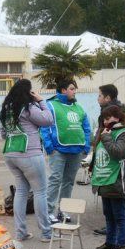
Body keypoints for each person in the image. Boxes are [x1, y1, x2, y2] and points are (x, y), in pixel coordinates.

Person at [0, 79, 55, 242]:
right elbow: (48, 119)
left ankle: (20, 232)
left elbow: (3, 134)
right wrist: (41, 100)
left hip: (10, 154)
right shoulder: (27, 107)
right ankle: (46, 233)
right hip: (29, 153)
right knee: (40, 192)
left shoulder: (7, 109)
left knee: (21, 192)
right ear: (28, 92)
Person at [90, 105, 125, 249]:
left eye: (109, 117)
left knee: (119, 216)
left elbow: (118, 152)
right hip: (104, 179)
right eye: (104, 118)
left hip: (118, 179)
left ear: (118, 117)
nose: (106, 121)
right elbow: (99, 153)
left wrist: (106, 138)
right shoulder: (107, 132)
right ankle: (110, 243)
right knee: (108, 215)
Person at [41, 79, 92, 224]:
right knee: (55, 180)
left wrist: (86, 145)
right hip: (58, 150)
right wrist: (49, 145)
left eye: (74, 89)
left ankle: (63, 211)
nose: (74, 91)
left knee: (68, 181)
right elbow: (44, 126)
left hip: (76, 150)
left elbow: (86, 127)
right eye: (72, 88)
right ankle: (49, 211)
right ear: (63, 90)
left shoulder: (78, 108)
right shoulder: (51, 105)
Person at [93, 84, 125, 235]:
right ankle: (111, 239)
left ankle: (119, 243)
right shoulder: (106, 113)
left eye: (100, 95)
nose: (97, 98)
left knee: (117, 211)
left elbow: (117, 149)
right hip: (104, 166)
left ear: (108, 98)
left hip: (114, 170)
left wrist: (103, 138)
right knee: (108, 208)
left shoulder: (117, 120)